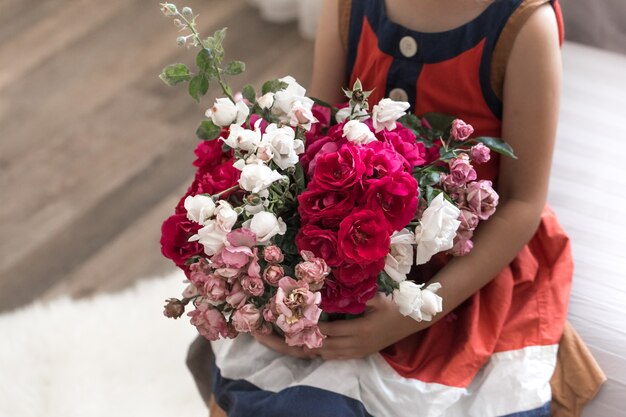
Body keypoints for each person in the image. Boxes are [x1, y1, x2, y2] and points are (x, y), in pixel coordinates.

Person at [198, 0, 582, 415]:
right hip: (342, 253)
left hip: (465, 269)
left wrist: (409, 316)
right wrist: (285, 300)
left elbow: (524, 203)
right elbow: (316, 138)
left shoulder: (525, 27)